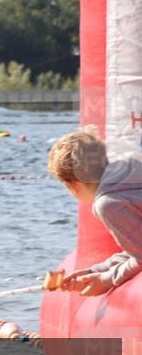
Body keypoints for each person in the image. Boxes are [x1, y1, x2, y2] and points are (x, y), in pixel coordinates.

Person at [45, 126, 141, 295]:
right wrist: (93, 271)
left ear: (72, 185)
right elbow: (136, 248)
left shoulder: (108, 204)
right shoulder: (131, 169)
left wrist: (105, 280)